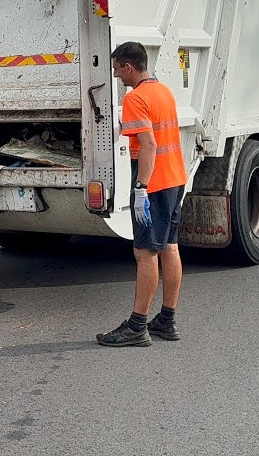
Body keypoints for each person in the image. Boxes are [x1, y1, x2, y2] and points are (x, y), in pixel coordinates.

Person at [96, 41, 187, 347]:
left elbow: (148, 144)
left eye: (116, 69)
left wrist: (140, 188)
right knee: (169, 247)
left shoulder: (135, 97)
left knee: (145, 253)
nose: (115, 75)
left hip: (155, 184)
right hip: (175, 179)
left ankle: (137, 326)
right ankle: (167, 320)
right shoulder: (163, 91)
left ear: (128, 67)